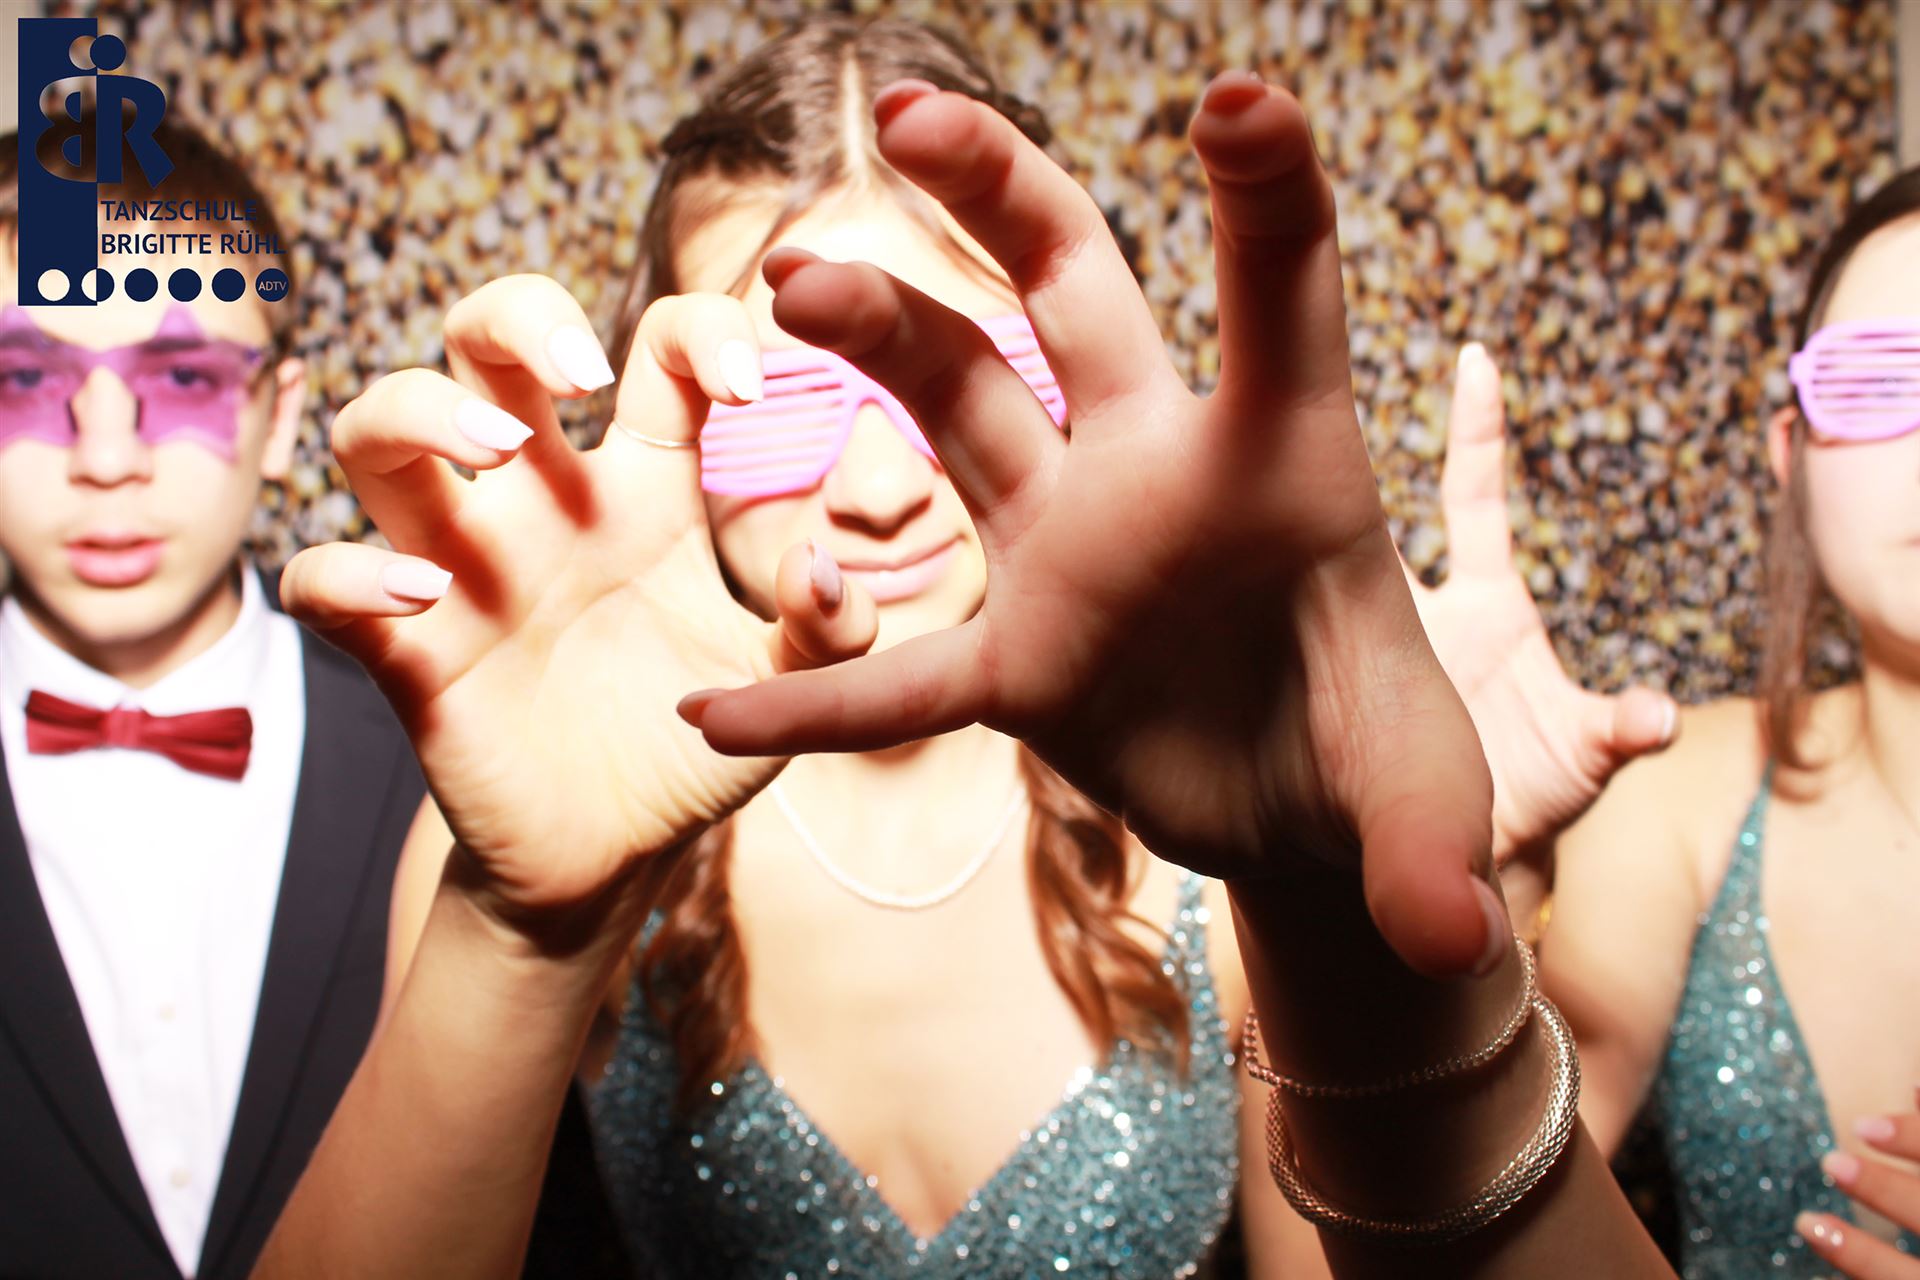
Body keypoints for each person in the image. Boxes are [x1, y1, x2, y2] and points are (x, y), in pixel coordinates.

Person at [257, 18, 1673, 1280]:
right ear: (662, 402)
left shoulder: (1207, 858)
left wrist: (1350, 920)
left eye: (952, 379)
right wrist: (524, 929)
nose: (880, 488)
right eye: (780, 401)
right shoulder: (526, 841)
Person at [1404, 169, 1920, 1278]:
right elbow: (1454, 1247)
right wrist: (1487, 889)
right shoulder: (1680, 801)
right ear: (1791, 457)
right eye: (1879, 379)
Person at [0, 114, 426, 1280]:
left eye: (181, 378)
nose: (107, 459)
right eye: (25, 379)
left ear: (279, 418)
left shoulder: (441, 753)